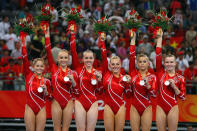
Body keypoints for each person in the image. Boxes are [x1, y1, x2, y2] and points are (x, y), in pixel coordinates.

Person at [41, 23, 78, 131]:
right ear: (57, 59)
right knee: (56, 128)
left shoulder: (72, 73)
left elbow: (76, 91)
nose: (63, 60)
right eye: (61, 58)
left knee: (65, 129)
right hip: (56, 101)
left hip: (68, 101)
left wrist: (72, 34)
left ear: (68, 59)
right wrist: (47, 34)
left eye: (65, 57)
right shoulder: (53, 68)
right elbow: (48, 50)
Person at [70, 24, 102, 131]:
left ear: (94, 59)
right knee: (80, 129)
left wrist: (99, 80)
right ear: (83, 59)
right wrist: (72, 34)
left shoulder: (97, 72)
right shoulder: (78, 68)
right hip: (79, 101)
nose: (88, 60)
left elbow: (99, 91)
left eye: (90, 58)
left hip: (93, 102)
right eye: (86, 58)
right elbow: (73, 50)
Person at [99, 32, 131, 131]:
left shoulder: (125, 78)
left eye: (117, 64)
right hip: (108, 107)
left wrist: (128, 84)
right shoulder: (106, 74)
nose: (115, 66)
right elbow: (104, 56)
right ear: (110, 65)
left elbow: (129, 95)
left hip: (120, 107)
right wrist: (102, 40)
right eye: (113, 64)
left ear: (120, 65)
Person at [156, 30, 186, 131]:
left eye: (171, 62)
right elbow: (158, 53)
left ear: (175, 63)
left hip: (173, 107)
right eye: (167, 62)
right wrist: (160, 38)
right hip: (160, 107)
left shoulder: (180, 78)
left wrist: (174, 87)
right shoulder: (160, 73)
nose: (169, 64)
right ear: (164, 63)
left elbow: (183, 97)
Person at [21, 33, 52, 131]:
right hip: (29, 107)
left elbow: (50, 97)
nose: (39, 68)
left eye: (41, 66)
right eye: (37, 66)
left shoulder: (46, 81)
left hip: (41, 108)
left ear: (44, 68)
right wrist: (23, 43)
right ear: (33, 67)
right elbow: (25, 58)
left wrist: (46, 91)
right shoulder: (28, 75)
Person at [129, 31, 156, 131]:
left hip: (147, 106)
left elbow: (153, 94)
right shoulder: (133, 72)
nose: (142, 64)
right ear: (137, 64)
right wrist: (133, 38)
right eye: (140, 62)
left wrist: (149, 86)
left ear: (148, 63)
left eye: (144, 62)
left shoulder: (152, 76)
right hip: (134, 106)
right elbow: (132, 55)